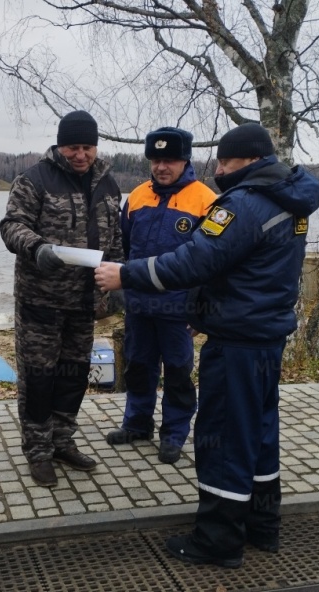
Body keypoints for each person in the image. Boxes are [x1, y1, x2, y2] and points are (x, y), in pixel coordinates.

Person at [94, 122, 319, 567]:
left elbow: (196, 260)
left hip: (236, 343)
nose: (219, 169)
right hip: (266, 336)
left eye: (226, 161)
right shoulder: (290, 200)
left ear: (251, 161)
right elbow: (241, 269)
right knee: (260, 436)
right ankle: (261, 525)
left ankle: (217, 540)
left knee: (221, 437)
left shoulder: (243, 204)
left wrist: (126, 274)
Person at [0, 110, 124, 488]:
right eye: (73, 147)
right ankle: (38, 452)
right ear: (60, 144)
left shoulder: (109, 185)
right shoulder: (34, 179)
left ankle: (63, 441)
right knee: (39, 379)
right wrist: (37, 248)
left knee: (72, 377)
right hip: (41, 302)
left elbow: (116, 240)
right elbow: (11, 226)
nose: (81, 154)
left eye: (87, 147)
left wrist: (117, 282)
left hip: (85, 304)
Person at [105, 127, 216, 464]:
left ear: (185, 160)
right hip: (139, 306)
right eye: (155, 160)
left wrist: (200, 310)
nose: (161, 167)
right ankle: (137, 425)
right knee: (138, 368)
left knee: (179, 374)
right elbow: (123, 248)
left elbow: (213, 263)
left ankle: (174, 435)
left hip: (178, 310)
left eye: (169, 160)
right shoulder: (137, 196)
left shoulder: (205, 200)